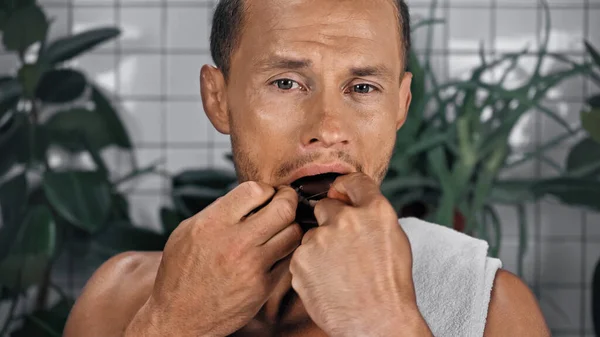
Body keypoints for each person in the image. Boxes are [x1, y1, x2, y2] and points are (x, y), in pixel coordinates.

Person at [64, 0, 551, 336]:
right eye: (286, 83)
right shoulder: (120, 298)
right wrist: (172, 325)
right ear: (218, 99)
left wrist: (384, 325)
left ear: (401, 105)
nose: (328, 128)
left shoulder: (487, 310)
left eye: (362, 88)